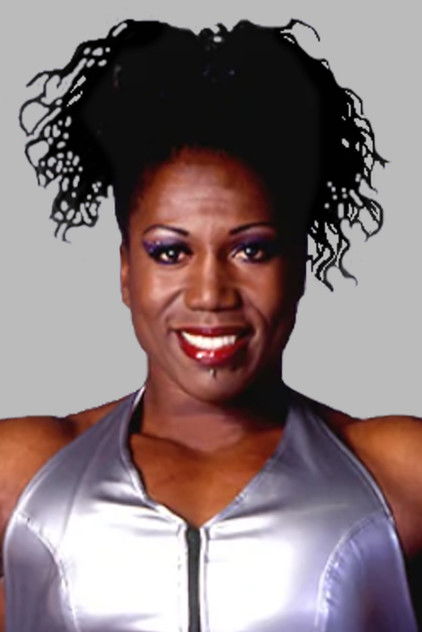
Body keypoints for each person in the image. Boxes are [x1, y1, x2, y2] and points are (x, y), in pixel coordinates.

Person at [0, 18, 421, 632]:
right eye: (171, 252)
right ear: (126, 271)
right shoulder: (24, 474)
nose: (210, 294)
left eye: (252, 250)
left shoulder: (396, 473)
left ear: (298, 266)